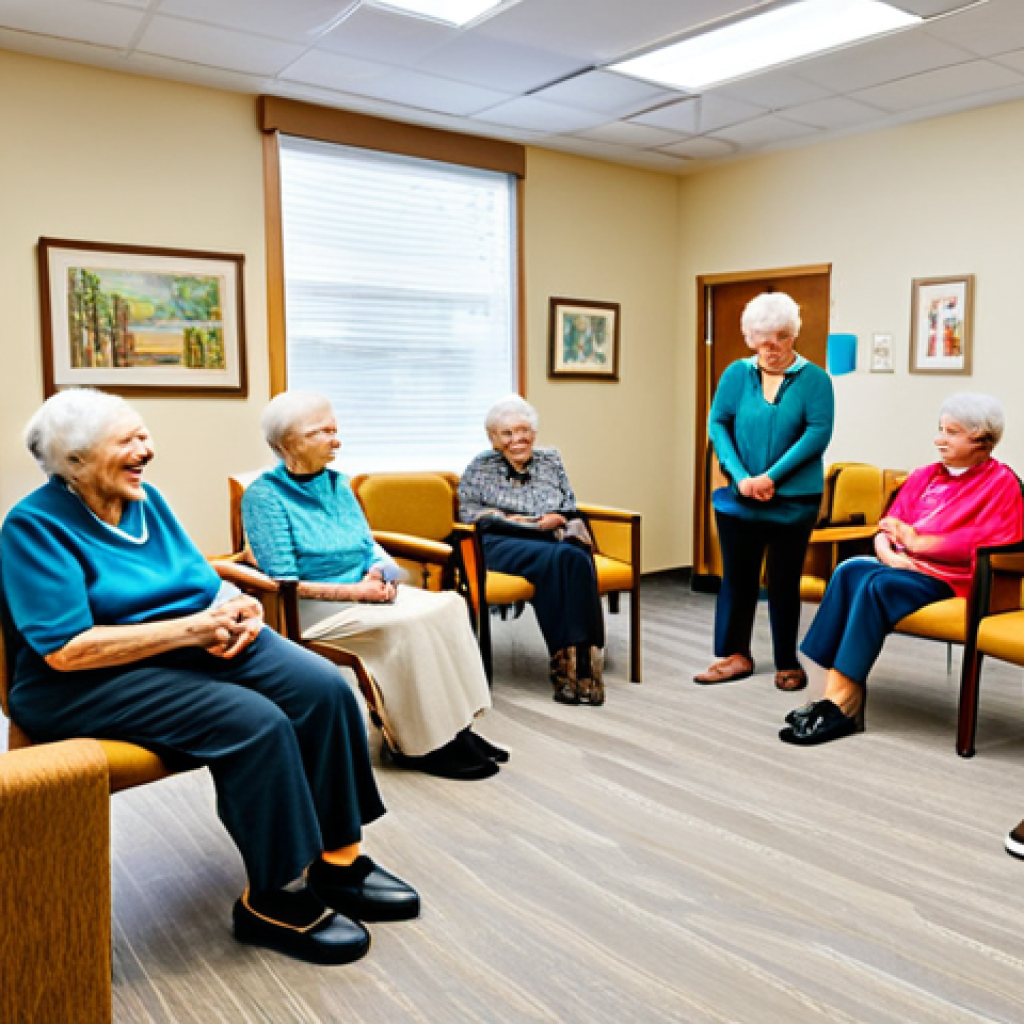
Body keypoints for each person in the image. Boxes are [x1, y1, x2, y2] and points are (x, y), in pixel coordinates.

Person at [0, 388, 419, 967]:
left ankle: (339, 862)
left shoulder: (147, 501)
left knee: (323, 690)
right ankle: (274, 898)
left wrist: (238, 605)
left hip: (184, 646)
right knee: (255, 723)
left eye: (143, 435)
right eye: (129, 441)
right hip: (82, 682)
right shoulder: (34, 528)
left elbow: (200, 583)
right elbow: (66, 651)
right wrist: (192, 631)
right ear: (75, 459)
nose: (148, 449)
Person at [242, 391, 504, 783]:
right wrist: (357, 593)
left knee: (450, 604)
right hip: (306, 610)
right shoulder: (264, 496)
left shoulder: (337, 484)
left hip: (363, 593)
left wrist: (382, 572)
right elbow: (283, 581)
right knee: (409, 626)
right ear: (286, 443)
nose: (337, 440)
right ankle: (419, 745)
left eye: (335, 429)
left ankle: (457, 728)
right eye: (323, 432)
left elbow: (368, 544)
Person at [782, 393, 1022, 746]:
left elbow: (993, 540)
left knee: (876, 586)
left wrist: (918, 542)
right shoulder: (925, 475)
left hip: (951, 580)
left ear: (981, 438)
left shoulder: (1000, 484)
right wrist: (887, 550)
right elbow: (888, 525)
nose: (939, 439)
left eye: (951, 432)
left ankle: (842, 704)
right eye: (940, 429)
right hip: (903, 567)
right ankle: (835, 696)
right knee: (851, 569)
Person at [696, 291, 835, 691]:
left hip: (794, 500)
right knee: (736, 579)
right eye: (760, 337)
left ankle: (788, 661)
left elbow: (817, 433)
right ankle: (733, 655)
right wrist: (741, 477)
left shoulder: (815, 380)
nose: (769, 347)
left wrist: (771, 476)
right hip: (739, 497)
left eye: (779, 337)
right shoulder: (736, 374)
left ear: (794, 335)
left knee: (783, 581)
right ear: (748, 336)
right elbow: (718, 423)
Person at [459, 395, 605, 705]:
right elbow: (469, 514)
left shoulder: (551, 461)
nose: (517, 439)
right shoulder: (480, 466)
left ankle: (578, 663)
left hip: (549, 541)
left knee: (572, 557)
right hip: (500, 542)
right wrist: (525, 521)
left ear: (534, 433)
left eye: (523, 430)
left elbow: (570, 506)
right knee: (570, 556)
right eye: (507, 433)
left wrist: (561, 518)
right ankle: (576, 670)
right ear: (494, 439)